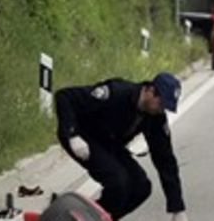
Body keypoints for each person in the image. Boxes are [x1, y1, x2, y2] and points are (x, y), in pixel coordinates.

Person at [55, 72, 188, 221]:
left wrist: (177, 208)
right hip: (83, 137)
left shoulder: (155, 117)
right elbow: (64, 97)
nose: (161, 110)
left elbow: (165, 160)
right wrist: (72, 134)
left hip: (109, 142)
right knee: (118, 182)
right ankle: (67, 216)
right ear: (150, 90)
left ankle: (95, 218)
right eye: (161, 103)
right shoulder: (116, 93)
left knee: (141, 187)